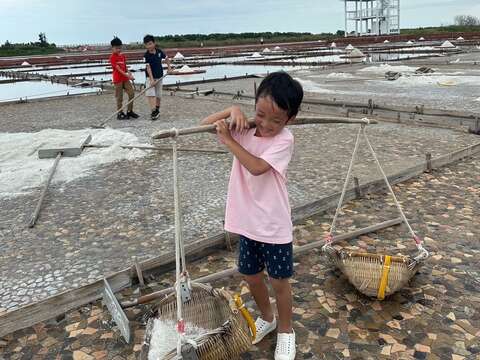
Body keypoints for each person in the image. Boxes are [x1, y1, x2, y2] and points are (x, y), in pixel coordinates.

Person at [200, 72, 303, 360]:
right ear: (254, 105)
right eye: (260, 114)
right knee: (251, 275)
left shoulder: (284, 140)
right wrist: (232, 110)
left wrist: (230, 141)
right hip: (248, 222)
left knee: (280, 281)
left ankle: (286, 331)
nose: (267, 125)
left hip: (273, 224)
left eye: (276, 120)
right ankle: (267, 318)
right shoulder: (244, 127)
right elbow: (203, 125)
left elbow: (257, 166)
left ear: (290, 120)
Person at [109, 36, 139, 120]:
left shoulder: (123, 56)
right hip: (118, 80)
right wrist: (128, 76)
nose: (118, 49)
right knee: (119, 97)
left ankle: (129, 111)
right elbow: (118, 69)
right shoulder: (112, 57)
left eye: (119, 48)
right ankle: (120, 113)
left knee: (131, 93)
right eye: (116, 48)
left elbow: (125, 68)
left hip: (125, 79)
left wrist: (130, 74)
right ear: (112, 48)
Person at [143, 34, 171, 120]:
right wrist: (151, 80)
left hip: (159, 77)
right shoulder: (146, 55)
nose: (149, 46)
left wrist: (169, 68)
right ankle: (153, 111)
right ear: (145, 45)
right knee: (151, 94)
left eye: (150, 43)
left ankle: (157, 110)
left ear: (154, 43)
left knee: (158, 95)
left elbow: (166, 58)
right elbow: (148, 68)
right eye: (147, 44)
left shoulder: (159, 52)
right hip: (149, 78)